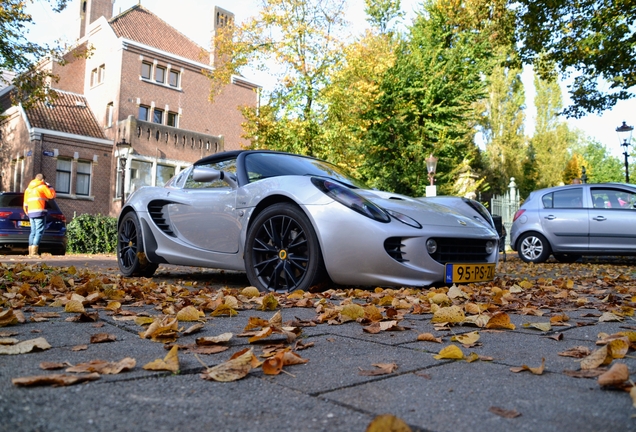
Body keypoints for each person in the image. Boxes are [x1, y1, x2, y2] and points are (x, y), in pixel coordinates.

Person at [23, 173, 56, 256]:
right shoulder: (42, 187)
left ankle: (30, 251)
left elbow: (25, 202)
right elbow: (51, 196)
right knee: (39, 231)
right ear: (43, 180)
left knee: (33, 231)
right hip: (39, 212)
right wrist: (50, 187)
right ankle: (34, 252)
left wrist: (27, 212)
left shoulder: (28, 189)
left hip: (31, 212)